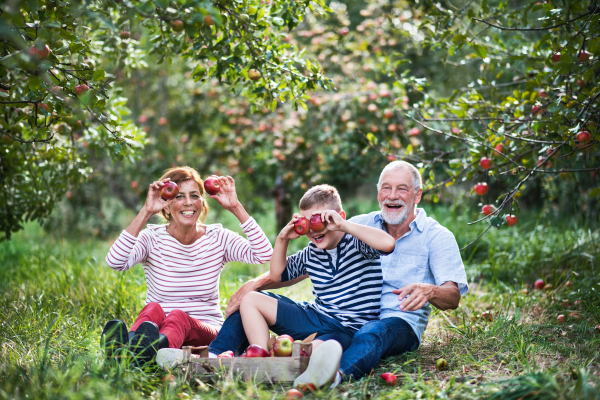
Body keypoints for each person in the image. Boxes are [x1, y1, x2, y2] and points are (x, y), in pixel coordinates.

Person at [205, 161, 468, 386]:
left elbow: (390, 247)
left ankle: (333, 375)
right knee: (251, 301)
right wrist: (254, 282)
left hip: (385, 322)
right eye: (386, 187)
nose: (392, 195)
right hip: (323, 315)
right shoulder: (350, 229)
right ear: (378, 193)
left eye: (402, 188)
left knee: (361, 336)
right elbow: (282, 272)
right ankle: (217, 358)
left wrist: (429, 290)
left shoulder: (421, 236)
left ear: (417, 195)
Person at [101, 166, 273, 365]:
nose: (189, 202)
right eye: (179, 196)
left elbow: (264, 254)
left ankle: (138, 355)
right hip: (158, 327)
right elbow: (115, 262)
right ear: (165, 205)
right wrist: (146, 211)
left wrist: (236, 207)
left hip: (206, 330)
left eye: (195, 195)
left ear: (202, 202)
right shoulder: (152, 239)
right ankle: (131, 351)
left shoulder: (218, 238)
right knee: (153, 308)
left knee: (178, 317)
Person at [239, 184, 395, 387]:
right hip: (317, 317)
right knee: (251, 299)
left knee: (317, 350)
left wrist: (343, 225)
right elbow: (277, 274)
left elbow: (388, 244)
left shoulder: (357, 243)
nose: (315, 229)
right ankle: (259, 357)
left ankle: (301, 368)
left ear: (339, 216)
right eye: (308, 222)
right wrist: (282, 238)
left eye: (321, 220)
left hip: (346, 328)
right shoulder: (310, 253)